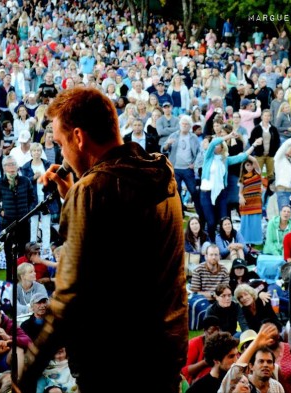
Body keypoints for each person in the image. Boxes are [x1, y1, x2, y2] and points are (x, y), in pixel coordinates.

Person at [15, 87, 188, 393]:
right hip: (163, 355)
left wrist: (27, 371)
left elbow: (69, 297)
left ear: (79, 137)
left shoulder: (93, 192)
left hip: (113, 365)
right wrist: (75, 195)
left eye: (60, 143)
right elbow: (126, 244)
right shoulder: (162, 174)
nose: (63, 155)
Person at [0, 155, 35, 282]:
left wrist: (29, 211)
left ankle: (22, 279)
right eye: (9, 165)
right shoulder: (0, 183)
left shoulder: (25, 181)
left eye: (13, 164)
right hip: (8, 223)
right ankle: (10, 280)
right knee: (9, 253)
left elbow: (32, 199)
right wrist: (1, 212)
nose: (12, 168)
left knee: (23, 251)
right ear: (4, 168)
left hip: (24, 222)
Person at [20, 143, 57, 255]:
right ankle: (33, 247)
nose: (36, 153)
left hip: (45, 197)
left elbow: (53, 180)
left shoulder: (47, 164)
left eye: (38, 150)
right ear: (31, 152)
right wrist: (33, 178)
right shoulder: (26, 167)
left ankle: (46, 247)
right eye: (34, 151)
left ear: (41, 152)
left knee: (46, 224)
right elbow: (24, 182)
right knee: (33, 224)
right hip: (33, 198)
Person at [182, 315, 221, 385]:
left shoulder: (220, 341)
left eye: (217, 332)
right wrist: (205, 362)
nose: (215, 335)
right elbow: (185, 371)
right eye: (211, 333)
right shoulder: (194, 343)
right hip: (196, 380)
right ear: (205, 331)